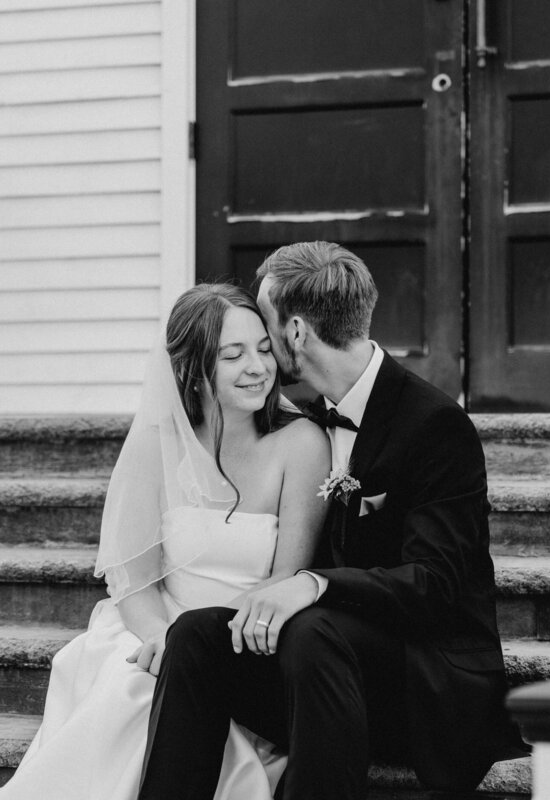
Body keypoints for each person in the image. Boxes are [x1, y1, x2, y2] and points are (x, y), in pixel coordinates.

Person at [139, 242, 522, 800]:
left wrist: (313, 583)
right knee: (195, 634)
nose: (263, 355)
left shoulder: (435, 425)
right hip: (319, 679)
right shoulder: (305, 422)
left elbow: (433, 585)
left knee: (313, 627)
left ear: (296, 333)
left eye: (267, 333)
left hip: (421, 687)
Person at [0, 283, 330, 800]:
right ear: (192, 368)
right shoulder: (155, 444)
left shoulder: (300, 445)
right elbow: (136, 582)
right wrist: (164, 640)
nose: (258, 367)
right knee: (133, 689)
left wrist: (200, 647)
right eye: (233, 355)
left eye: (262, 349)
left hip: (242, 639)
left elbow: (285, 579)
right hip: (153, 626)